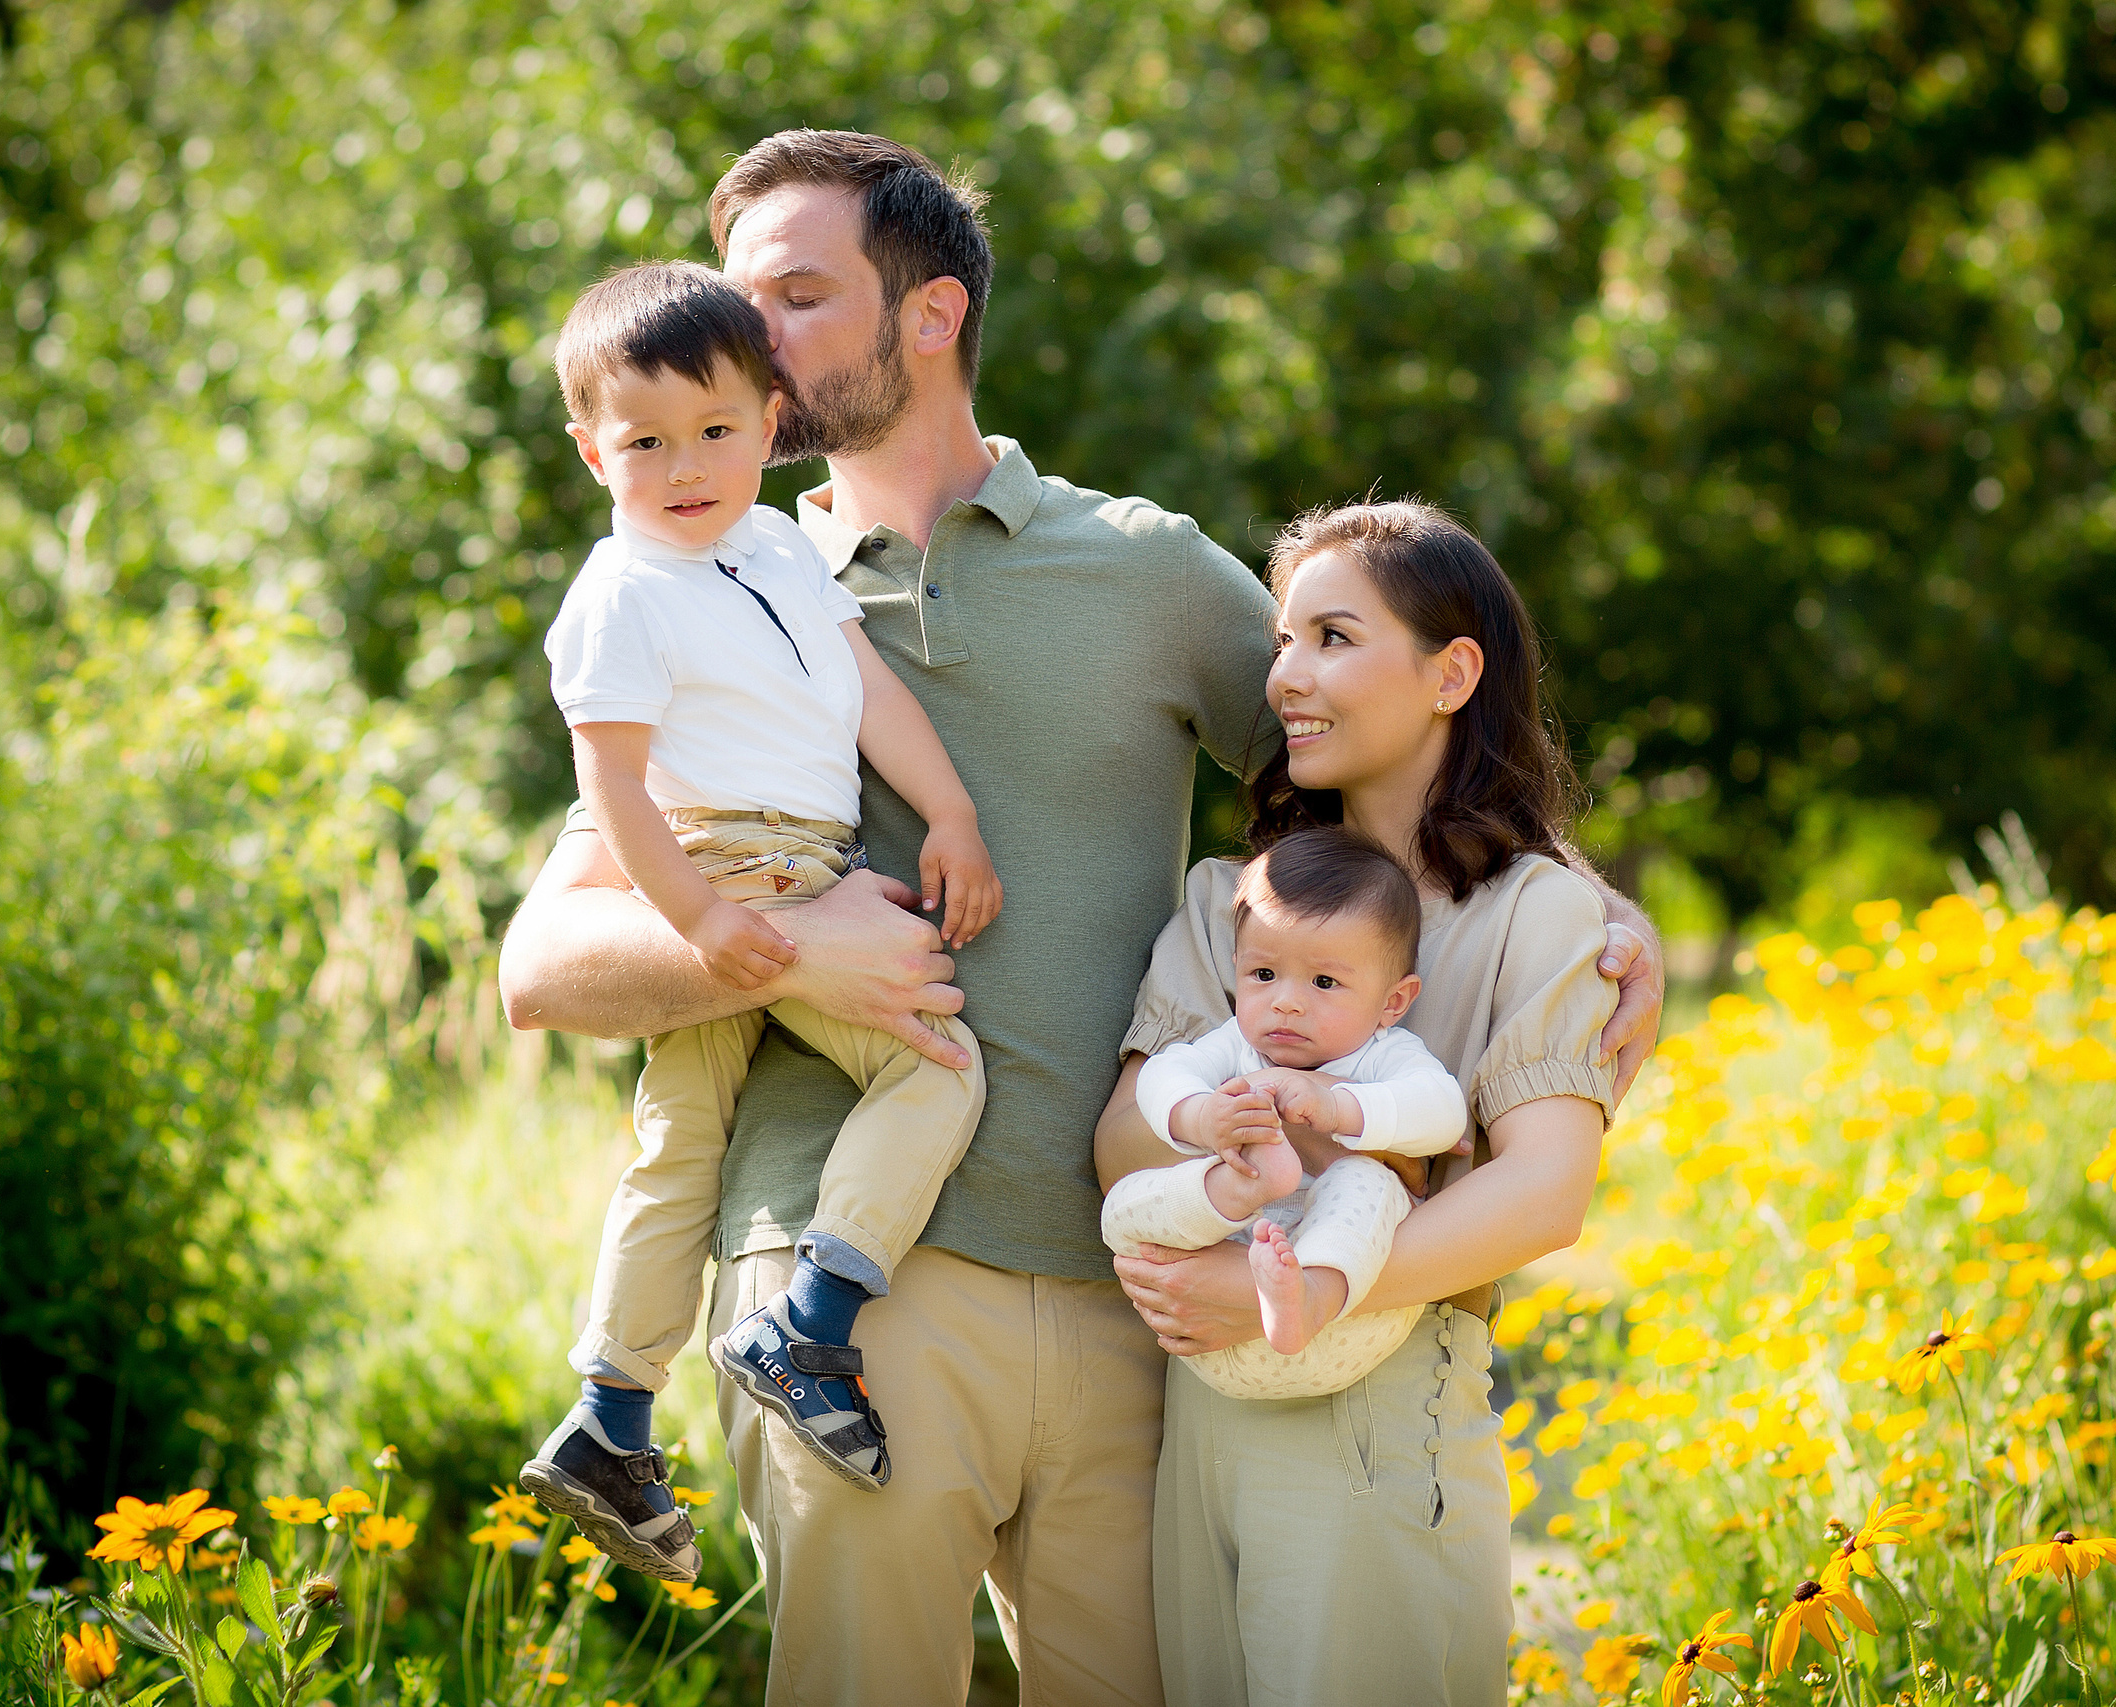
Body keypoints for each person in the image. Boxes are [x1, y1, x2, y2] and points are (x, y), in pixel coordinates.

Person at [498, 129, 1669, 1705]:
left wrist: (1587, 891)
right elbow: (541, 964)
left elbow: (1374, 745)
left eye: (792, 296)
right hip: (849, 1295)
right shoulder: (717, 593)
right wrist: (779, 943)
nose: (745, 343)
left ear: (930, 312)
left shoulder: (1146, 570)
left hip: (1144, 1297)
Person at [519, 260, 1003, 1579]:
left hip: (794, 859)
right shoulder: (620, 591)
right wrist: (698, 920)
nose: (686, 465)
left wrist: (950, 811)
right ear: (590, 449)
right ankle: (813, 1319)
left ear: (771, 418)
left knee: (680, 1144)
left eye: (718, 430)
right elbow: (610, 781)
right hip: (728, 871)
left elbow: (867, 695)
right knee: (936, 1066)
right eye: (645, 442)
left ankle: (612, 1416)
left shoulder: (780, 544)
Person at [1099, 501, 1619, 1706]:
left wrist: (1284, 1293)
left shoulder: (1535, 914)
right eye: (1282, 642)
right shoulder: (1229, 898)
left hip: (1384, 1413)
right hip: (1198, 1419)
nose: (1286, 675)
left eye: (1332, 636)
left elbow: (1546, 1193)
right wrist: (1207, 1139)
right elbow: (1119, 1141)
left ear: (1451, 674)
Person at [1100, 826, 1467, 1397]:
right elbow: (1162, 1075)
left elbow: (1444, 1112)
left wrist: (1337, 1106)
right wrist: (1201, 1117)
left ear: (1393, 1002)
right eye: (1263, 975)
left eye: (1324, 982)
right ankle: (1243, 1187)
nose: (1286, 1001)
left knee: (1368, 1180)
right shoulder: (1235, 1045)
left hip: (1332, 1329)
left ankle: (1310, 1291)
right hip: (1206, 1320)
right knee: (1125, 1204)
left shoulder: (1381, 1056)